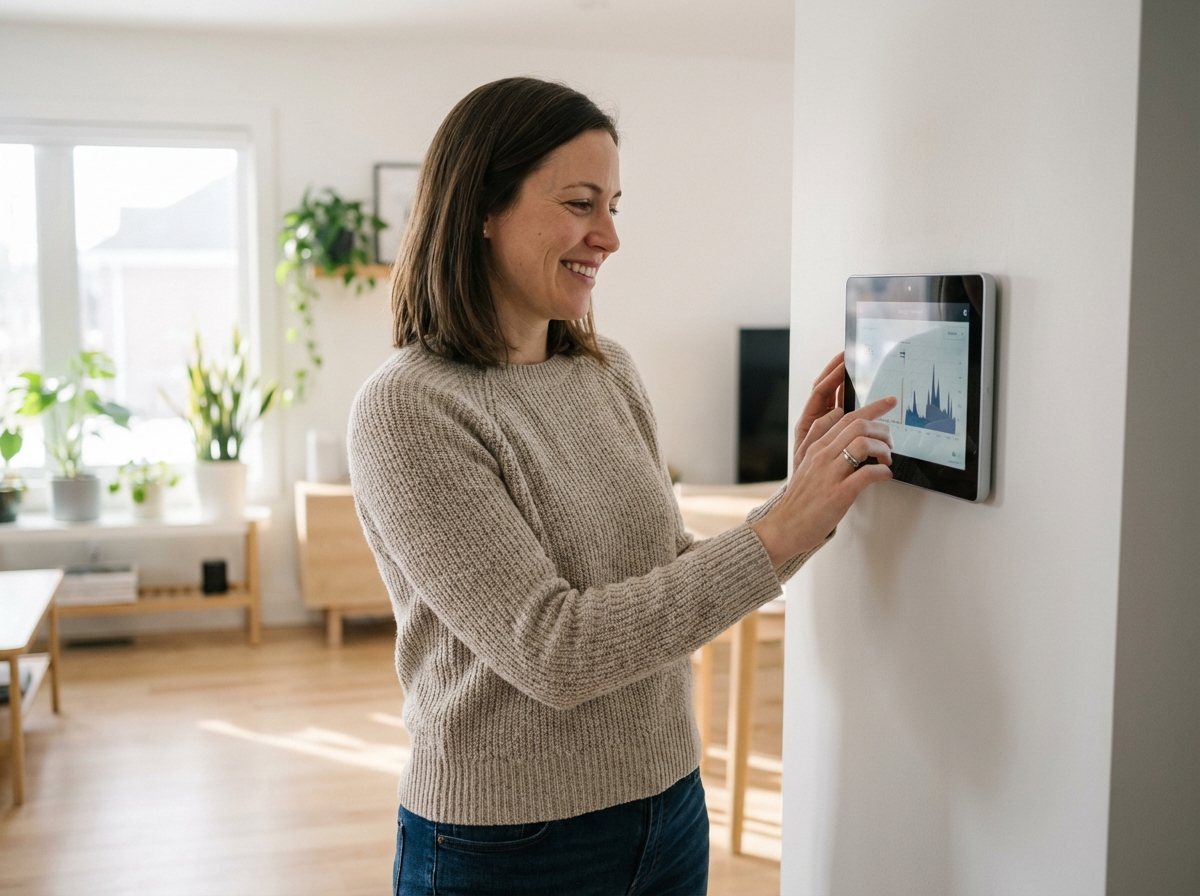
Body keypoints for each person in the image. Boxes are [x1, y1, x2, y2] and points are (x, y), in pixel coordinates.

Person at [348, 77, 896, 896]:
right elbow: (553, 650)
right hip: (509, 846)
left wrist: (805, 500)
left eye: (613, 206)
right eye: (579, 203)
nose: (607, 236)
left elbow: (662, 568)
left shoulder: (608, 374)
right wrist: (778, 527)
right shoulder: (408, 408)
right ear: (480, 210)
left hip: (669, 807)